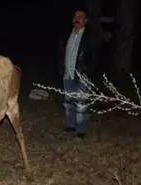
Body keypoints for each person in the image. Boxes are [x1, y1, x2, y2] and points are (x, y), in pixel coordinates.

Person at [58, 10, 101, 139]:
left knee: (81, 104)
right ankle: (70, 125)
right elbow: (61, 54)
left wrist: (88, 72)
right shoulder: (66, 36)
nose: (78, 19)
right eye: (76, 16)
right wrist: (60, 69)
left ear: (85, 21)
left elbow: (97, 58)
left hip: (82, 75)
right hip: (68, 75)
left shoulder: (91, 38)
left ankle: (81, 130)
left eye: (81, 17)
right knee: (68, 102)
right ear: (72, 19)